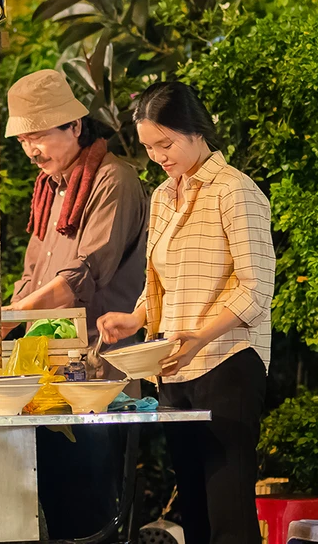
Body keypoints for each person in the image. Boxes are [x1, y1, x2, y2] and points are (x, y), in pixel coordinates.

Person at [98, 81, 274, 544]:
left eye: (166, 143)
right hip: (174, 369)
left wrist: (200, 335)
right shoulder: (162, 196)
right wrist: (135, 319)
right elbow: (161, 280)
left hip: (228, 361)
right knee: (192, 511)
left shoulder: (236, 191)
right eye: (149, 147)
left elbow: (256, 289)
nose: (158, 155)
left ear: (196, 131)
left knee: (227, 512)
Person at [4, 69, 149, 539]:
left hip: (99, 371)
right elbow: (33, 277)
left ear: (74, 126)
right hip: (50, 373)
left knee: (91, 506)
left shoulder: (114, 180)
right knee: (57, 499)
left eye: (40, 135)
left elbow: (81, 279)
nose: (32, 150)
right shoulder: (50, 188)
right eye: (24, 139)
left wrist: (10, 318)